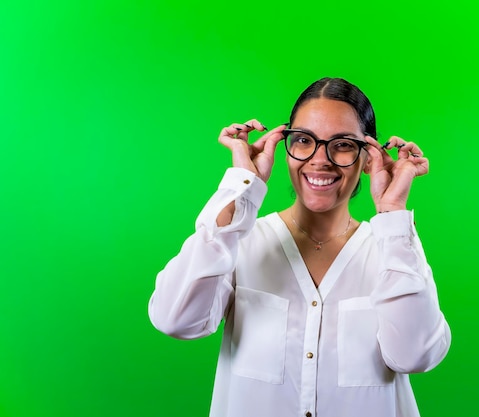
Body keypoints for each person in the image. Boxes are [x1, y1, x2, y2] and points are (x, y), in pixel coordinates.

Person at [148, 77, 451, 417]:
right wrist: (241, 188)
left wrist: (393, 212)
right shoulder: (240, 240)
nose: (320, 160)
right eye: (305, 140)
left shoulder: (394, 251)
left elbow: (416, 356)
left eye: (343, 144)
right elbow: (175, 319)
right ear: (286, 146)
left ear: (370, 158)